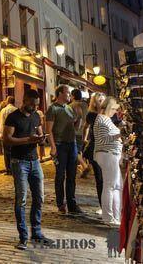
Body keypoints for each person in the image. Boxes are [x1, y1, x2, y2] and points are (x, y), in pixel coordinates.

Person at [4, 88, 54, 250]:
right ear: (24, 101)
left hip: (35, 162)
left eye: (37, 105)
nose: (34, 107)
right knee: (22, 200)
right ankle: (23, 237)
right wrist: (28, 139)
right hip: (19, 163)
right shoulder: (13, 117)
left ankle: (37, 233)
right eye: (32, 104)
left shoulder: (36, 116)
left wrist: (41, 140)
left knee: (39, 198)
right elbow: (7, 139)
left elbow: (40, 134)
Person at [45, 85, 82, 215]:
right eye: (67, 92)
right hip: (60, 145)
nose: (69, 95)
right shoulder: (52, 109)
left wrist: (79, 118)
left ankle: (72, 204)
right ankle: (60, 203)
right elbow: (48, 130)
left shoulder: (69, 108)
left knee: (72, 176)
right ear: (60, 93)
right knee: (60, 176)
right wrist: (53, 147)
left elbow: (75, 128)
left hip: (72, 144)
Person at [94, 97, 123, 226]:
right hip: (107, 155)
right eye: (114, 109)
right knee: (110, 186)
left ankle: (115, 216)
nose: (115, 112)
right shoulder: (101, 119)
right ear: (109, 107)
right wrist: (119, 135)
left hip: (112, 155)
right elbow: (102, 140)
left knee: (115, 187)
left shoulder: (106, 120)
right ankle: (108, 217)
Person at [85, 93, 105, 210]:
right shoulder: (92, 115)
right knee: (100, 178)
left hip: (107, 149)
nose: (101, 102)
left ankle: (108, 204)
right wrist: (84, 139)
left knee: (107, 178)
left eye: (102, 100)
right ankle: (103, 205)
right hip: (95, 149)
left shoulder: (109, 114)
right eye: (98, 100)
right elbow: (86, 127)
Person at [69, 90, 90, 177]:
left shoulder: (71, 106)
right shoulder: (86, 105)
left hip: (75, 131)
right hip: (85, 131)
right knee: (80, 150)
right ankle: (82, 169)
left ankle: (84, 166)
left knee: (75, 151)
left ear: (73, 96)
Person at [0, 96, 17, 175]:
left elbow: (2, 124)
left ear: (7, 102)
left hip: (5, 134)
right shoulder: (16, 110)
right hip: (15, 135)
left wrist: (1, 134)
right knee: (14, 152)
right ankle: (15, 169)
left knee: (6, 153)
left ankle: (8, 169)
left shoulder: (3, 111)